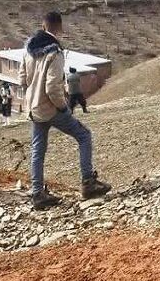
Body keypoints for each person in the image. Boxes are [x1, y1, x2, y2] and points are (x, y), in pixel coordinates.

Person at [19, 11, 111, 210]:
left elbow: (22, 78)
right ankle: (88, 183)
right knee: (84, 135)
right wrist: (62, 108)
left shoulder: (28, 49)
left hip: (34, 109)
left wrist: (30, 98)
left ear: (43, 26)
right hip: (50, 107)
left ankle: (37, 194)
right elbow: (52, 88)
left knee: (38, 149)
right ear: (59, 28)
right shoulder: (55, 52)